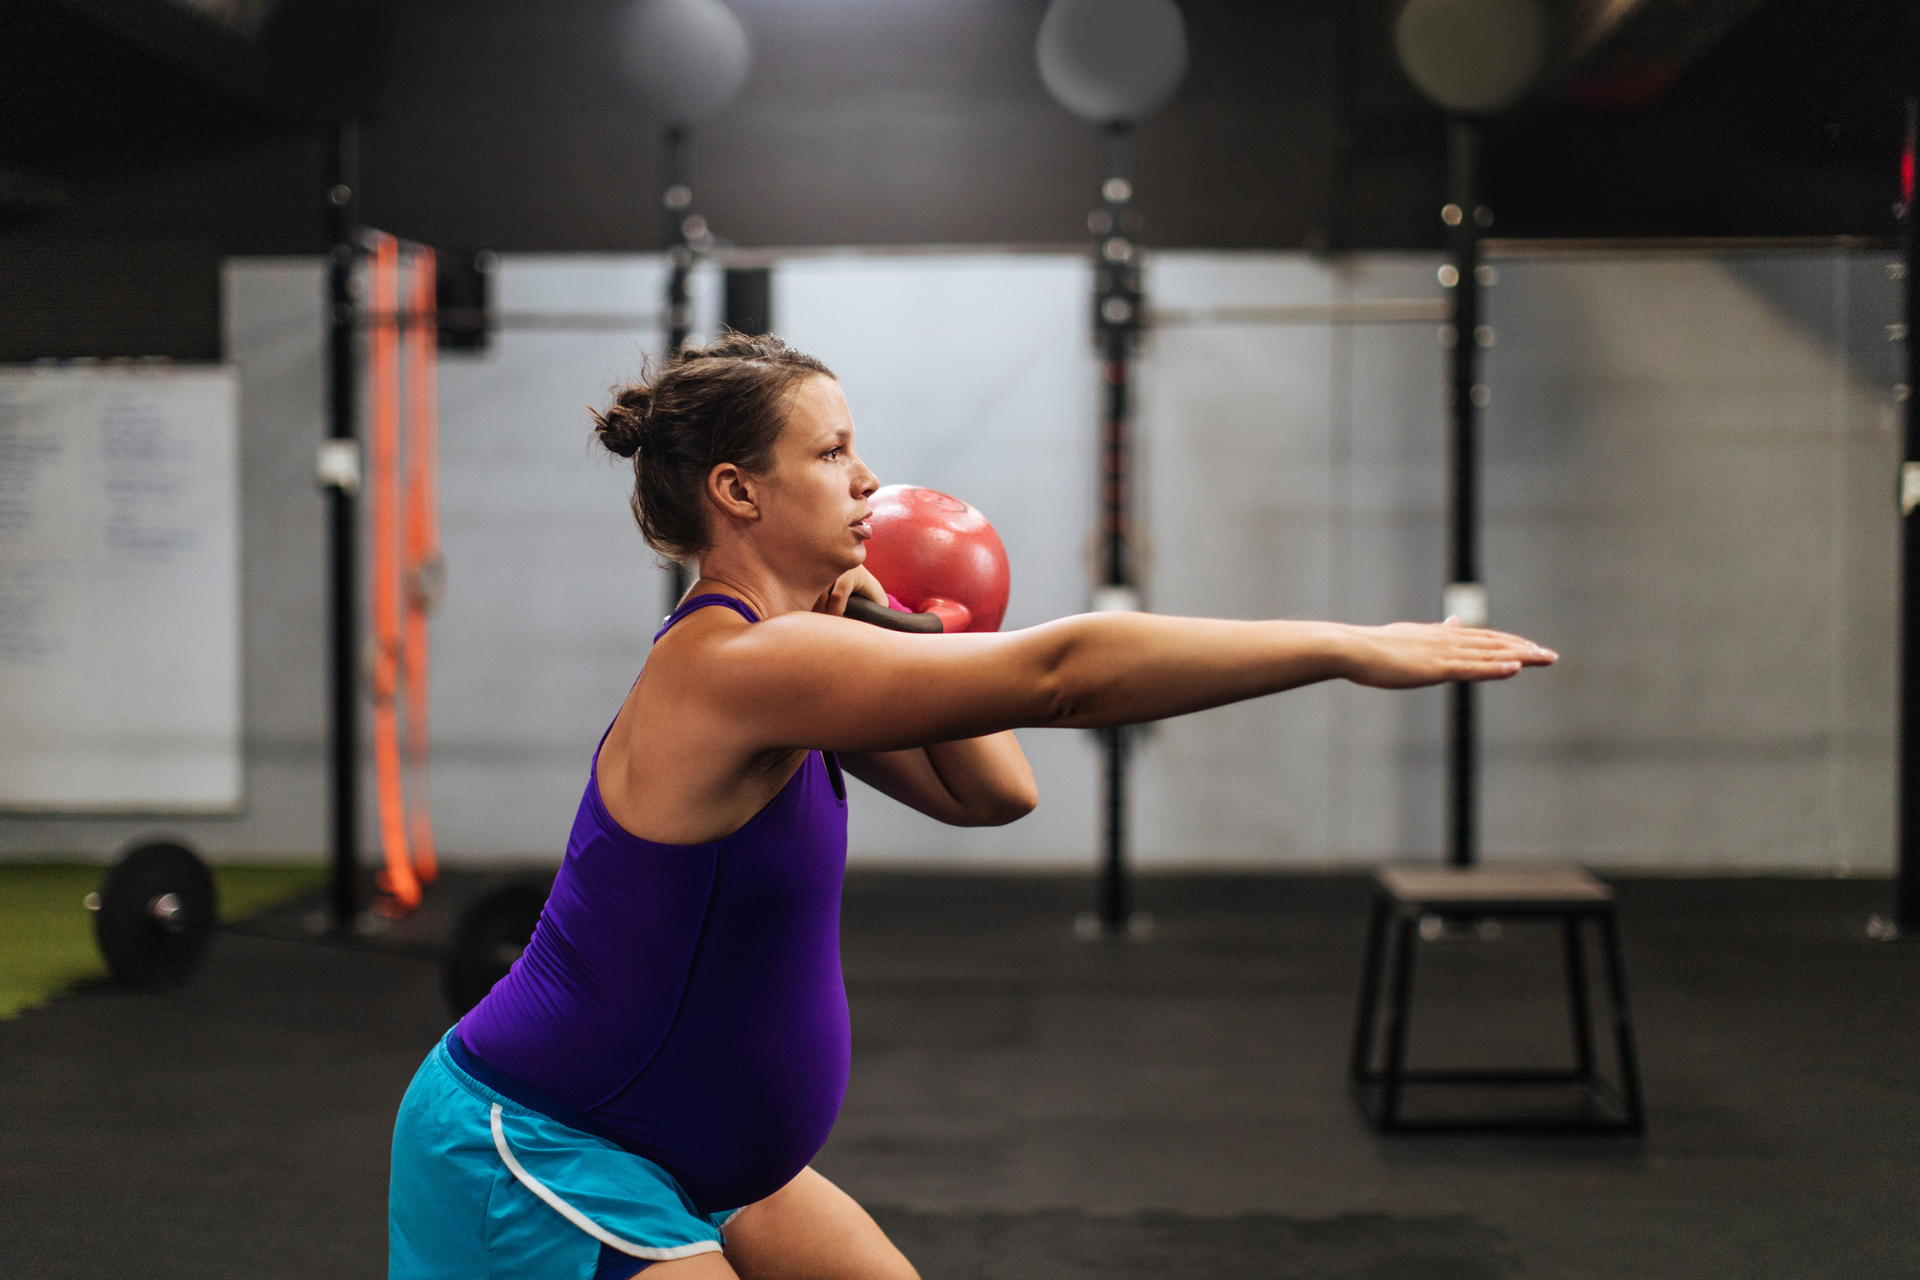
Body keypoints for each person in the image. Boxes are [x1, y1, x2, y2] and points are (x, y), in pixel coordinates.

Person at [388, 333, 1556, 1280]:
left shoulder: (805, 657)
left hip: (693, 1149)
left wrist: (892, 618)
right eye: (835, 453)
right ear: (738, 490)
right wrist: (1342, 643)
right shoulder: (736, 668)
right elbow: (1061, 676)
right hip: (546, 1143)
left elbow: (993, 789)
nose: (867, 482)